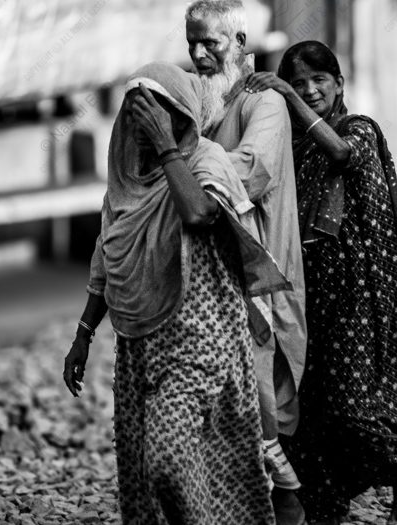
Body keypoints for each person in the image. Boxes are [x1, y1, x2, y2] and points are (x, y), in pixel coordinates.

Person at [63, 62, 287, 524]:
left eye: (158, 117)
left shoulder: (205, 159)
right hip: (141, 347)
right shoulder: (126, 181)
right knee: (149, 472)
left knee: (165, 458)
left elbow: (200, 214)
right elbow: (107, 258)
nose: (144, 131)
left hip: (202, 342)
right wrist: (83, 334)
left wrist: (168, 148)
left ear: (181, 115)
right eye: (136, 120)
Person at [245, 40, 397, 524]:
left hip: (365, 290)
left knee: (361, 400)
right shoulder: (294, 147)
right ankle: (324, 505)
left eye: (318, 80)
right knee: (315, 399)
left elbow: (343, 155)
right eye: (299, 83)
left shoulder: (357, 129)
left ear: (339, 84)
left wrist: (286, 95)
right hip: (314, 288)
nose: (311, 90)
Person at [185, 0, 308, 523]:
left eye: (209, 42)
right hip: (216, 282)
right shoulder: (204, 107)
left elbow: (249, 171)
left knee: (261, 390)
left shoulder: (266, 105)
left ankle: (288, 502)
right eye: (191, 43)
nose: (198, 53)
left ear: (239, 44)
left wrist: (179, 168)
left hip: (259, 279)